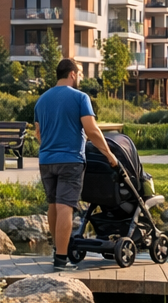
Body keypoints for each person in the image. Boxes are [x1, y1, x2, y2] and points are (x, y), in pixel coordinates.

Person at [36, 58, 118, 269]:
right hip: (70, 160)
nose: (80, 77)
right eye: (79, 73)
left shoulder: (41, 100)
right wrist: (109, 155)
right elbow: (92, 131)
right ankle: (62, 259)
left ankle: (57, 250)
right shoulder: (81, 97)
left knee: (53, 205)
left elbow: (38, 134)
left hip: (46, 160)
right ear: (72, 74)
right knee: (65, 207)